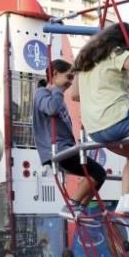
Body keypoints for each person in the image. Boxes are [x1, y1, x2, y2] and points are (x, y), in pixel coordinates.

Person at [70, 22, 129, 218]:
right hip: (117, 119)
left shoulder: (86, 61)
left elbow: (75, 94)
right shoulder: (115, 53)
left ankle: (124, 202)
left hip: (96, 129)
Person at [34, 59, 107, 221]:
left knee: (100, 175)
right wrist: (58, 89)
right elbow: (51, 108)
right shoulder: (42, 92)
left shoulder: (55, 95)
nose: (70, 82)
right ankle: (72, 205)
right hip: (57, 150)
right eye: (68, 77)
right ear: (54, 74)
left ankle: (80, 209)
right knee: (96, 173)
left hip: (64, 147)